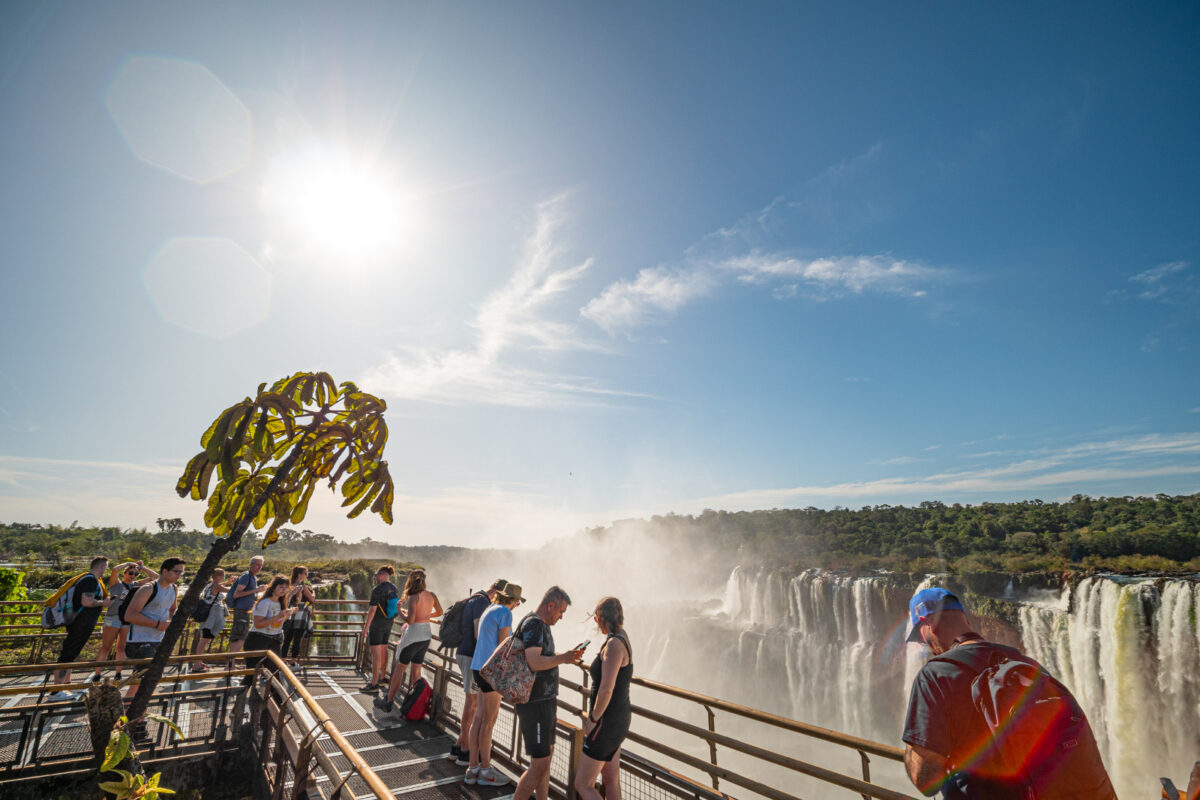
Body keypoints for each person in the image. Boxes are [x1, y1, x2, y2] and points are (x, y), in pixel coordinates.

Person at [902, 587, 1117, 799]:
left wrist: (914, 745)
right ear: (966, 621)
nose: (927, 647)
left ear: (926, 625)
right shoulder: (1026, 664)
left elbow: (925, 781)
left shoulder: (935, 675)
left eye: (921, 639)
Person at [511, 586, 586, 800]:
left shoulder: (540, 624)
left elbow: (544, 656)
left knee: (546, 759)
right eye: (561, 611)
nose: (561, 617)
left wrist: (568, 656)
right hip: (535, 704)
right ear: (550, 605)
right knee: (539, 764)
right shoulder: (534, 624)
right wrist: (563, 659)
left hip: (544, 701)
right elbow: (534, 662)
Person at [464, 582, 525, 787]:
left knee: (479, 719)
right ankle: (486, 771)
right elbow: (503, 646)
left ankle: (472, 769)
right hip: (492, 671)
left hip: (478, 667)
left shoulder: (489, 608)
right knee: (488, 722)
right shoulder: (505, 613)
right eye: (517, 602)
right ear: (514, 601)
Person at [574, 597, 633, 800]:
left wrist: (593, 720)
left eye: (596, 619)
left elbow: (606, 689)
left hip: (606, 722)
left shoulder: (614, 645)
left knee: (583, 784)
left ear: (601, 618)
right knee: (610, 778)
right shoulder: (621, 637)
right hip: (618, 719)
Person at [448, 578, 509, 767]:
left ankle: (459, 745)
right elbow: (477, 632)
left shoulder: (477, 599)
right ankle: (466, 750)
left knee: (472, 703)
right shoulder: (483, 602)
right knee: (472, 703)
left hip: (465, 654)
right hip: (471, 657)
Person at [124, 557, 185, 742]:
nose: (179, 575)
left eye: (181, 572)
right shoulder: (148, 589)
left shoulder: (173, 590)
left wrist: (169, 622)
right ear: (164, 571)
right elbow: (130, 615)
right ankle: (136, 724)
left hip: (157, 640)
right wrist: (157, 623)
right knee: (143, 684)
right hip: (139, 640)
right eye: (176, 571)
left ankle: (129, 719)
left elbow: (172, 609)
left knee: (140, 685)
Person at [375, 569, 443, 712]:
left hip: (412, 637)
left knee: (400, 669)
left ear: (410, 580)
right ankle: (414, 704)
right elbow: (440, 612)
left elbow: (410, 621)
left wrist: (400, 611)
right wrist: (425, 616)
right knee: (416, 670)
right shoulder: (431, 595)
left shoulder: (413, 597)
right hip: (425, 636)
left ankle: (388, 701)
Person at [49, 556, 113, 699]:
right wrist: (104, 603)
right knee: (67, 654)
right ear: (102, 567)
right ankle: (55, 691)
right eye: (106, 567)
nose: (106, 570)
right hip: (81, 623)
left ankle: (64, 686)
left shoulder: (84, 578)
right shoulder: (90, 580)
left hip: (78, 621)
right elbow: (87, 601)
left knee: (70, 653)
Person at [92, 560, 158, 683]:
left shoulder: (136, 585)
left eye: (135, 574)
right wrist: (128, 563)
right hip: (113, 617)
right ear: (125, 573)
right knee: (106, 647)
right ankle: (97, 674)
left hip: (126, 619)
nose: (132, 576)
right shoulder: (116, 584)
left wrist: (142, 568)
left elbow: (155, 577)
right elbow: (115, 569)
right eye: (130, 573)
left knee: (121, 647)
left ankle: (118, 673)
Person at [242, 574, 296, 682]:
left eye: (286, 588)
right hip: (258, 640)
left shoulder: (281, 602)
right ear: (273, 587)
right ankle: (241, 696)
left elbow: (277, 622)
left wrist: (287, 615)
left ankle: (276, 698)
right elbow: (258, 624)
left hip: (274, 639)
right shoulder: (265, 602)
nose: (283, 590)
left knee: (274, 674)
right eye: (281, 587)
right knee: (251, 675)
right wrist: (278, 616)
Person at [360, 565, 398, 692]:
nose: (375, 577)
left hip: (377, 624)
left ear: (381, 574)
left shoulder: (377, 589)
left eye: (376, 575)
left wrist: (366, 627)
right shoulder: (393, 588)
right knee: (384, 650)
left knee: (375, 653)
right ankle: (382, 678)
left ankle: (374, 684)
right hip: (389, 623)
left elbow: (372, 610)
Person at [189, 568, 227, 672]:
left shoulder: (210, 585)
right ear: (218, 576)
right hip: (211, 617)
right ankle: (196, 664)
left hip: (208, 616)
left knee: (204, 639)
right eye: (223, 575)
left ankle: (198, 661)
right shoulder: (216, 586)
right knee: (204, 639)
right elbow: (229, 590)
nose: (224, 577)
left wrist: (229, 582)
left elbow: (220, 586)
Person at [226, 555, 264, 658]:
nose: (259, 567)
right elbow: (237, 594)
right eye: (257, 565)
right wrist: (256, 590)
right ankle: (229, 665)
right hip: (241, 610)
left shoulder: (252, 577)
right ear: (251, 565)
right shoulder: (246, 576)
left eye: (261, 565)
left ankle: (231, 664)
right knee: (239, 637)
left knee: (241, 636)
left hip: (245, 610)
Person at [281, 565, 316, 667]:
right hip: (300, 615)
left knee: (287, 638)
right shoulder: (303, 587)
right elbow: (312, 599)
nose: (307, 575)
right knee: (297, 639)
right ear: (299, 574)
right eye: (305, 573)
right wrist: (313, 592)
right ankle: (292, 661)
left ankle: (283, 660)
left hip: (290, 614)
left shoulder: (290, 585)